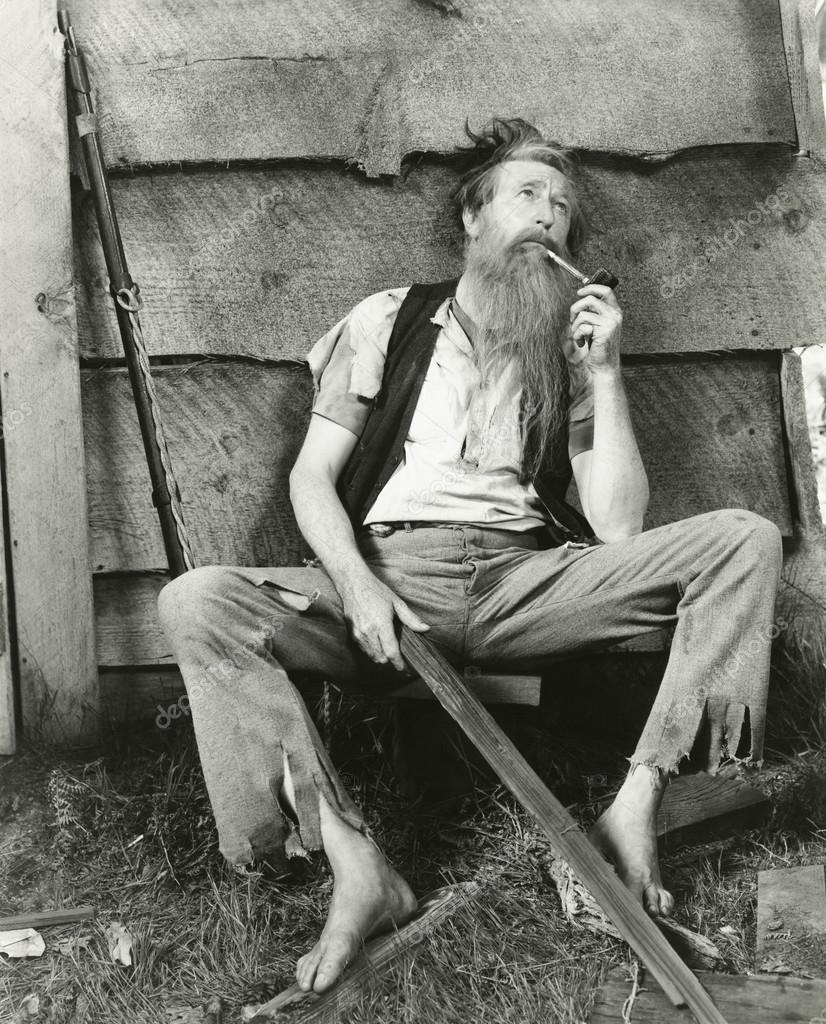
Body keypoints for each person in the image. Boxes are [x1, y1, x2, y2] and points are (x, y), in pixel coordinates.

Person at [156, 117, 784, 996]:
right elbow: (310, 478)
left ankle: (637, 806)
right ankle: (356, 866)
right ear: (473, 216)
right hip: (390, 582)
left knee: (746, 539)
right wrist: (357, 586)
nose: (549, 214)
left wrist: (606, 373)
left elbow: (618, 529)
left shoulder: (568, 346)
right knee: (196, 601)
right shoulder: (387, 319)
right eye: (527, 194)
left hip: (526, 583)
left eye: (562, 206)